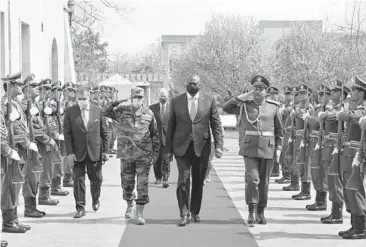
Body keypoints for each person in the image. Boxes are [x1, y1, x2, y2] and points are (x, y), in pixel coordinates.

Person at [223, 75, 283, 225]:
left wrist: (279, 149)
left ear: (266, 91)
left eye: (261, 89)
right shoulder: (245, 105)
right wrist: (243, 96)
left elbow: (279, 130)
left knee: (264, 182)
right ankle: (252, 210)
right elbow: (226, 107)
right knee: (252, 179)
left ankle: (261, 211)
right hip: (250, 148)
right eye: (255, 89)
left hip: (268, 148)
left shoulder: (274, 106)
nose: (258, 92)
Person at [165, 75, 223, 227]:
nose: (191, 86)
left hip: (201, 147)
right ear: (185, 85)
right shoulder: (176, 101)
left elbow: (215, 124)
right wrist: (168, 150)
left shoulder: (209, 100)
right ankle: (184, 213)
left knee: (198, 181)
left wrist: (219, 146)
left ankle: (195, 211)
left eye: (194, 83)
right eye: (189, 83)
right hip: (181, 147)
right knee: (183, 180)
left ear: (200, 85)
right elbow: (170, 126)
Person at [103, 87, 160, 225]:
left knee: (142, 184)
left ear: (143, 98)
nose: (137, 100)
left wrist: (155, 155)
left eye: (140, 97)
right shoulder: (122, 111)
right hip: (127, 155)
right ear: (131, 97)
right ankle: (129, 203)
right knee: (127, 184)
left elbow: (155, 135)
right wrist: (117, 102)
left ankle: (139, 211)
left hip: (143, 155)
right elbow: (104, 111)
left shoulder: (148, 114)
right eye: (135, 97)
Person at [63, 85, 109, 218]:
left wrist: (105, 151)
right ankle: (80, 207)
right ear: (76, 99)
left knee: (96, 179)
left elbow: (105, 132)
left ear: (89, 98)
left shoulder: (98, 111)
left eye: (84, 98)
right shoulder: (71, 112)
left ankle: (95, 199)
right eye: (79, 99)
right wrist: (70, 153)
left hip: (95, 151)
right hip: (77, 152)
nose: (82, 101)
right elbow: (67, 134)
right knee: (78, 181)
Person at [149, 88, 172, 188]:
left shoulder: (172, 108)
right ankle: (158, 177)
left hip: (168, 138)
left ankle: (165, 179)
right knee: (157, 160)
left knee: (166, 159)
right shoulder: (152, 108)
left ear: (168, 96)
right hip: (155, 137)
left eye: (165, 96)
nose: (163, 98)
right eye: (161, 96)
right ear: (159, 97)